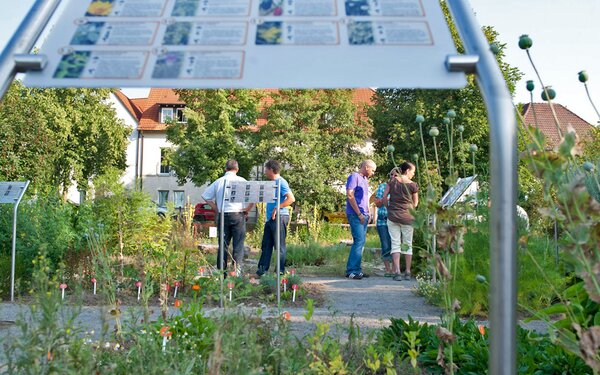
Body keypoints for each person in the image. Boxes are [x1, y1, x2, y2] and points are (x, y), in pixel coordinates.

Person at [202, 160, 254, 276]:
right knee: (238, 245)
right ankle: (237, 272)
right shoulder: (242, 181)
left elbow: (205, 196)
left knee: (223, 246)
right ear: (237, 169)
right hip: (238, 215)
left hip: (223, 215)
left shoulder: (219, 182)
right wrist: (247, 209)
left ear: (226, 169)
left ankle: (221, 273)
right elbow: (253, 198)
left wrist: (216, 208)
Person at [257, 160, 295, 276]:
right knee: (266, 244)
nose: (265, 172)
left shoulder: (281, 182)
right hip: (271, 218)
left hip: (280, 216)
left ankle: (280, 272)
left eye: (266, 169)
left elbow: (291, 199)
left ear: (271, 170)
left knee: (279, 245)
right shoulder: (272, 183)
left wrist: (277, 207)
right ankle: (262, 271)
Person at [383, 161, 419, 281]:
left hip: (393, 216)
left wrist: (389, 208)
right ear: (407, 170)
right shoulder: (413, 185)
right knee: (408, 244)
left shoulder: (392, 181)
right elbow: (415, 203)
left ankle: (397, 272)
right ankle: (408, 272)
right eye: (413, 171)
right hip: (408, 218)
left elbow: (384, 198)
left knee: (395, 244)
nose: (413, 174)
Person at [345, 159, 377, 280]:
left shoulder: (365, 179)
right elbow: (350, 195)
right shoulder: (354, 177)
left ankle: (358, 270)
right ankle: (351, 271)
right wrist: (359, 213)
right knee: (359, 241)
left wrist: (368, 213)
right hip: (355, 214)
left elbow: (366, 198)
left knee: (362, 242)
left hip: (364, 215)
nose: (373, 173)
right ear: (366, 167)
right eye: (373, 170)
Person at [374, 168, 398, 277]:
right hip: (383, 218)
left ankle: (395, 269)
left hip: (396, 219)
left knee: (395, 244)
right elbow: (377, 203)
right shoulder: (383, 186)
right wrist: (385, 199)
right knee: (385, 244)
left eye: (395, 175)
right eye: (391, 174)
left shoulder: (401, 187)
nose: (393, 176)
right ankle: (388, 269)